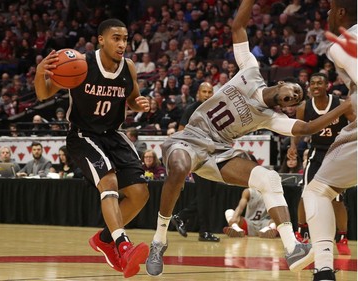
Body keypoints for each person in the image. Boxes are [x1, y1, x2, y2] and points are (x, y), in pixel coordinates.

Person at [144, 0, 353, 277]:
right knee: (180, 168)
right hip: (189, 139)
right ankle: (159, 241)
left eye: (297, 99)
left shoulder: (270, 117)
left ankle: (292, 249)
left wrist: (344, 107)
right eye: (294, 91)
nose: (294, 97)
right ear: (281, 84)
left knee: (270, 179)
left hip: (218, 153)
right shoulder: (250, 69)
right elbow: (238, 26)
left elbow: (305, 129)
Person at [34, 18, 151, 278]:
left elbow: (131, 99)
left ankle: (104, 240)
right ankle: (124, 245)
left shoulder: (128, 67)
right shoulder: (81, 64)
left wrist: (140, 104)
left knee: (140, 193)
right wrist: (40, 72)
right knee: (108, 181)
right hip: (83, 135)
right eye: (116, 38)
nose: (122, 44)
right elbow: (44, 94)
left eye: (125, 39)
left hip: (113, 135)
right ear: (101, 39)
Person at [294, 0, 357, 277]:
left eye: (331, 10)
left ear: (341, 12)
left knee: (317, 191)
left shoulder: (341, 43)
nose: (328, 16)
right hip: (324, 147)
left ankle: (323, 269)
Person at [288, 73, 353, 255]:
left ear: (327, 86)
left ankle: (341, 237)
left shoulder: (339, 104)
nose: (315, 86)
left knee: (337, 199)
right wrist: (293, 146)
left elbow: (354, 122)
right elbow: (297, 129)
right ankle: (301, 232)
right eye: (312, 83)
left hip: (336, 153)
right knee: (305, 192)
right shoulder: (304, 107)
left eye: (319, 83)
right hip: (316, 152)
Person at [170, 82, 220, 242]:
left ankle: (181, 216)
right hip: (198, 156)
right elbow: (180, 131)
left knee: (211, 193)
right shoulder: (192, 109)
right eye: (204, 91)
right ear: (198, 93)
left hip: (213, 155)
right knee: (205, 194)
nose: (207, 94)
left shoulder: (216, 109)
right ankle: (204, 232)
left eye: (210, 91)